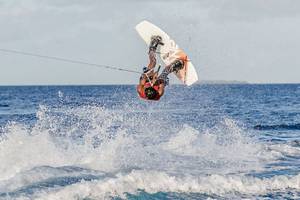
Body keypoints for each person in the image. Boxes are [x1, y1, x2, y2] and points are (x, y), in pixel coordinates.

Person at [137, 35, 184, 101]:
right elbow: (162, 82)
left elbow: (144, 76)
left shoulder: (140, 89)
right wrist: (156, 79)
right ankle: (175, 66)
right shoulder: (159, 92)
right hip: (158, 83)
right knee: (165, 72)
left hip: (147, 79)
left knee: (153, 62)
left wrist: (151, 75)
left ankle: (152, 46)